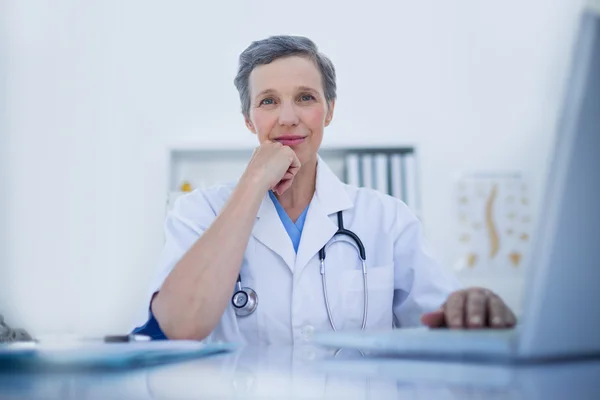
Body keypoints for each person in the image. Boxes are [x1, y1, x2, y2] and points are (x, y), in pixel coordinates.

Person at [133, 35, 516, 343]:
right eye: (268, 101)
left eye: (305, 97)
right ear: (249, 120)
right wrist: (251, 185)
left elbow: (445, 325)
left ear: (329, 110)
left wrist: (470, 306)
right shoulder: (198, 212)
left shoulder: (386, 219)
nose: (287, 117)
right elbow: (178, 327)